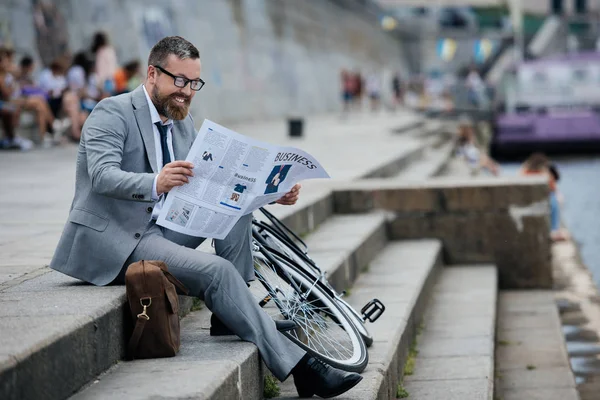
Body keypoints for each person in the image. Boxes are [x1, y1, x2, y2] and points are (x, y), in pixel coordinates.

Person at [49, 36, 362, 398]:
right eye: (179, 80)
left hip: (162, 226)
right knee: (217, 271)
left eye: (194, 83)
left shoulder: (182, 120)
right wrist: (156, 182)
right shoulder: (112, 112)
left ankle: (229, 314)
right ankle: (302, 369)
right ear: (152, 73)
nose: (186, 92)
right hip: (119, 240)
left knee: (237, 211)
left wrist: (273, 194)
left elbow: (212, 182)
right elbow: (102, 176)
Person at [519, 153, 568, 241]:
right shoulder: (544, 173)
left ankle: (553, 229)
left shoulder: (524, 171)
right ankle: (554, 229)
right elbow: (553, 187)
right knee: (555, 199)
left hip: (529, 202)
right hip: (542, 201)